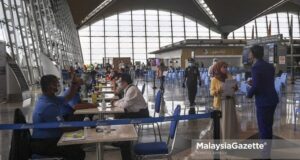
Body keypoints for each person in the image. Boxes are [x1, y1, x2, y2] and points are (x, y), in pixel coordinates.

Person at [31, 73, 85, 160]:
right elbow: (63, 128)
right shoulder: (47, 106)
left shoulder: (50, 98)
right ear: (50, 86)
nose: (58, 85)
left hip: (50, 139)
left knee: (76, 147)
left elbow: (68, 97)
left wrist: (74, 85)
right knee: (77, 153)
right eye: (56, 83)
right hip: (44, 144)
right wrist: (84, 127)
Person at [247, 45, 279, 159]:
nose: (248, 54)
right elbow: (265, 82)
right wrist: (255, 83)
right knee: (268, 127)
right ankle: (267, 152)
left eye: (249, 52)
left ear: (253, 54)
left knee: (263, 128)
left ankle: (264, 155)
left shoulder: (255, 67)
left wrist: (249, 94)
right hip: (272, 99)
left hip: (263, 101)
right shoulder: (269, 66)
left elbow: (256, 86)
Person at [111, 73, 149, 160]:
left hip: (141, 114)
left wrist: (115, 103)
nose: (119, 84)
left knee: (123, 120)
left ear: (125, 82)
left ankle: (125, 146)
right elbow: (124, 100)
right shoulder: (128, 89)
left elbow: (125, 105)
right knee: (120, 118)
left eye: (120, 82)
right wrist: (116, 102)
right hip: (135, 112)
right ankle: (123, 141)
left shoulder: (132, 90)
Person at [210, 61, 239, 140]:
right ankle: (223, 140)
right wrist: (217, 91)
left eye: (226, 67)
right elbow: (211, 92)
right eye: (224, 67)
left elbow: (234, 87)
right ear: (219, 68)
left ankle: (231, 139)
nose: (226, 69)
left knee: (230, 122)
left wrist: (235, 88)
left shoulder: (229, 76)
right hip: (221, 103)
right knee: (223, 122)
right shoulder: (214, 79)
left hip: (230, 102)